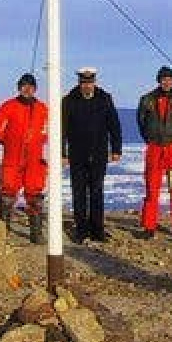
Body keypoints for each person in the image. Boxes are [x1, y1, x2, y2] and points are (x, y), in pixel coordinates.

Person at [61, 67, 122, 243]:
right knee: (79, 193)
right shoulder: (69, 101)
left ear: (94, 82)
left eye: (89, 82)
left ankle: (97, 230)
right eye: (84, 83)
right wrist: (62, 153)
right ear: (79, 83)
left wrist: (116, 149)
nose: (87, 86)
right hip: (77, 154)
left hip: (98, 154)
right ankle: (81, 230)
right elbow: (62, 129)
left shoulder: (104, 99)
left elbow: (114, 125)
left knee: (96, 191)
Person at [136, 66, 172, 239]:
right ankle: (149, 226)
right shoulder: (147, 100)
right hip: (154, 148)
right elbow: (141, 121)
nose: (166, 82)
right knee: (152, 188)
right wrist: (150, 137)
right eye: (163, 79)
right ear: (159, 80)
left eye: (169, 79)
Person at [0, 73, 49, 244]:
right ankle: (2, 231)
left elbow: (47, 131)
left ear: (35, 89)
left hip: (34, 159)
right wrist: (10, 142)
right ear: (19, 88)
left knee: (35, 194)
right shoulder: (8, 106)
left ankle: (36, 233)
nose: (27, 89)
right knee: (7, 193)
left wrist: (37, 143)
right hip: (13, 157)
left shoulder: (42, 109)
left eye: (31, 86)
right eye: (24, 86)